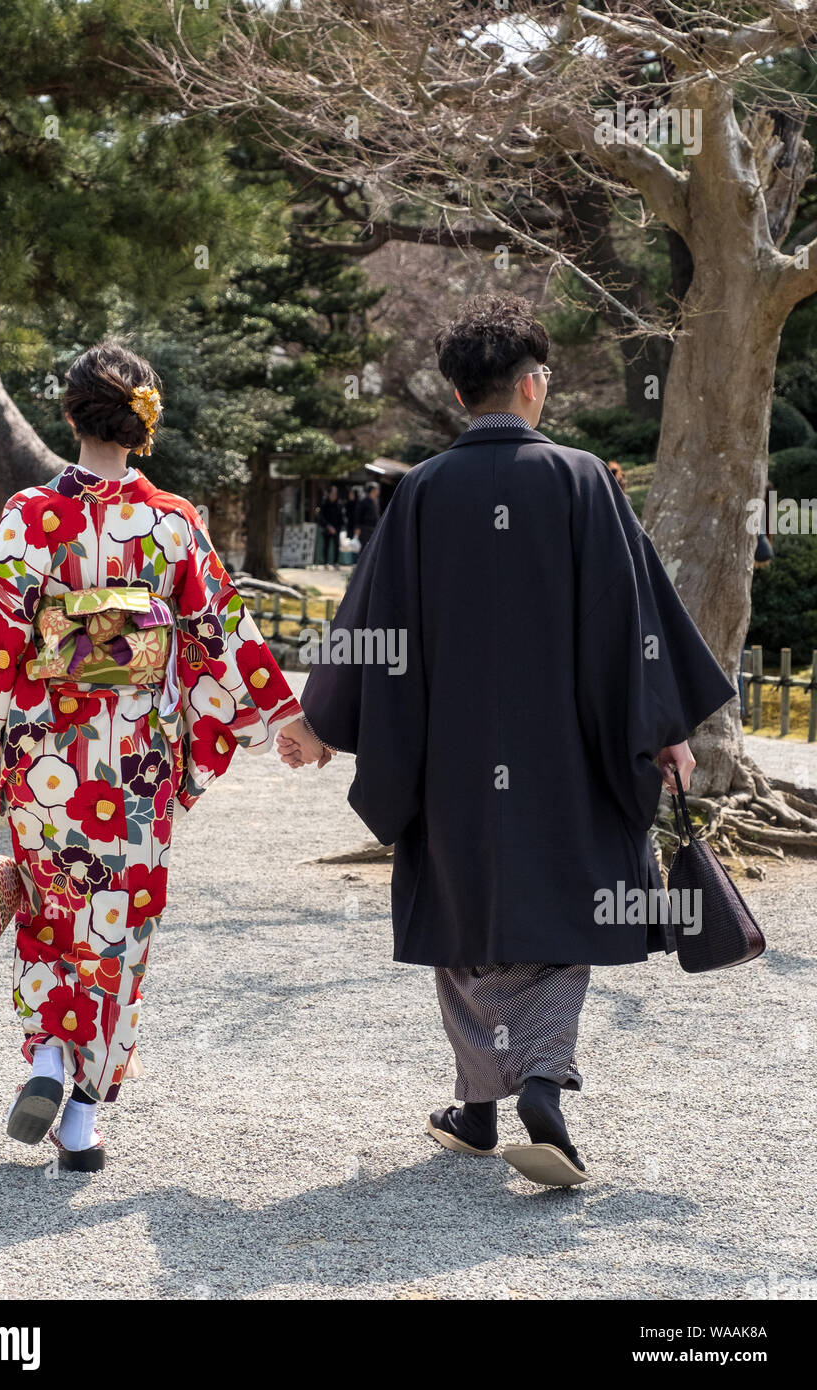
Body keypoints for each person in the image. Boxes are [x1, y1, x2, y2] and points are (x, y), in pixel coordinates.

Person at [278, 294, 737, 1188]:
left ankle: (482, 1109)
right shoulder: (582, 480)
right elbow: (629, 623)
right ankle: (537, 1088)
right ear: (531, 387)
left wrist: (323, 724)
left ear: (460, 396)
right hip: (567, 759)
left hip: (448, 761)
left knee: (466, 920)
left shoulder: (418, 493)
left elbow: (373, 623)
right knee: (565, 920)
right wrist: (664, 730)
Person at [0, 341, 315, 1172]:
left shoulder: (32, 513)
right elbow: (220, 634)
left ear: (70, 416)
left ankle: (46, 1060)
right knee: (116, 930)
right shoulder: (172, 521)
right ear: (146, 425)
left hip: (41, 755)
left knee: (44, 911)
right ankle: (82, 1123)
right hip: (132, 768)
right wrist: (287, 716)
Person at [317, 484, 345, 568]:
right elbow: (321, 516)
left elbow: (341, 517)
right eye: (332, 493)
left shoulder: (339, 504)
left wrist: (339, 528)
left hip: (336, 528)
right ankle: (325, 562)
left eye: (335, 493)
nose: (334, 495)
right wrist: (328, 526)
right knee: (326, 545)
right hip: (327, 528)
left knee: (336, 546)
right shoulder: (324, 503)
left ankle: (336, 562)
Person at [353, 482, 381, 558]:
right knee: (363, 548)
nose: (378, 491)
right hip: (364, 528)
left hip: (373, 528)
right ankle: (360, 566)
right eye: (377, 489)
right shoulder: (363, 500)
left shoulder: (376, 500)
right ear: (372, 490)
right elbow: (358, 515)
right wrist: (357, 527)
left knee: (372, 548)